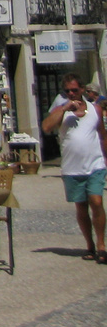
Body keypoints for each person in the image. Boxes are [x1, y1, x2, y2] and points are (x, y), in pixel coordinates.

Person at [41, 73, 107, 262]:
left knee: (96, 202)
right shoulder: (62, 110)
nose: (71, 93)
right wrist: (64, 109)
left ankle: (102, 245)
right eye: (68, 91)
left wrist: (106, 157)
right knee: (81, 207)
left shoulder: (95, 110)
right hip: (72, 167)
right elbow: (47, 127)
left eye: (75, 90)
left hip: (95, 164)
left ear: (83, 90)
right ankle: (90, 245)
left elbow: (102, 135)